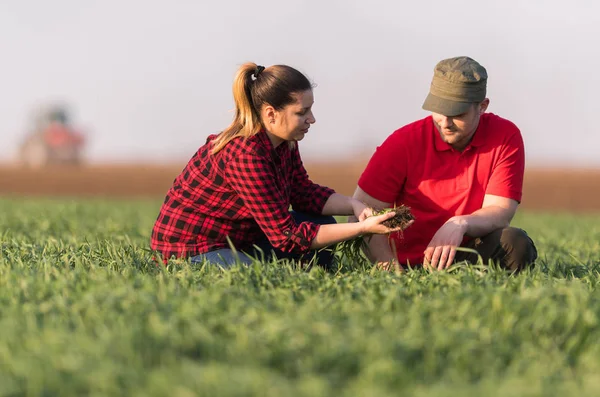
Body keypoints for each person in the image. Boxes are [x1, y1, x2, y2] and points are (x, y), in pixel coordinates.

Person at [151, 62, 403, 268]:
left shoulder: (284, 142)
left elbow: (303, 193)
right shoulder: (245, 154)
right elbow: (286, 236)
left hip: (242, 237)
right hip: (191, 249)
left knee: (323, 225)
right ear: (271, 114)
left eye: (311, 110)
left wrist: (353, 204)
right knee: (258, 279)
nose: (311, 119)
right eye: (302, 112)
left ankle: (309, 270)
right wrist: (361, 229)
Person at [353, 56, 538, 272]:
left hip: (468, 255)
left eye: (458, 114)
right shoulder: (402, 143)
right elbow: (362, 212)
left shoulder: (505, 136)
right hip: (407, 264)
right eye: (439, 111)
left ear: (482, 106)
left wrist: (460, 223)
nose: (445, 123)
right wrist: (391, 269)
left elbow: (500, 210)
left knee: (515, 242)